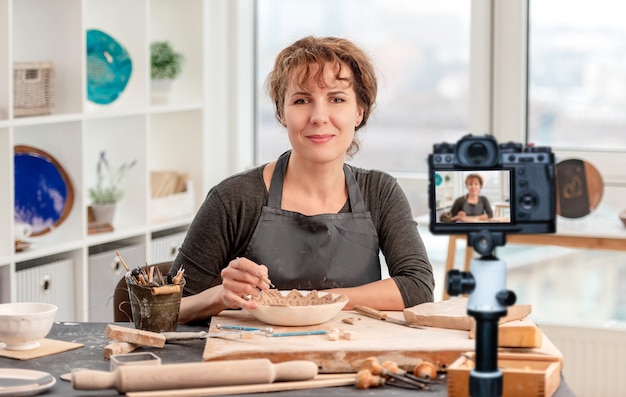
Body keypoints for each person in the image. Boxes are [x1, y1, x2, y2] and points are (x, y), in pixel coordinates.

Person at [172, 36, 435, 324]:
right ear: (282, 114)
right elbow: (169, 308)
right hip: (255, 360)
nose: (319, 116)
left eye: (336, 99)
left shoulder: (380, 193)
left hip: (350, 357)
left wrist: (316, 303)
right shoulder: (235, 198)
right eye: (301, 100)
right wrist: (221, 294)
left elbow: (417, 287)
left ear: (359, 112)